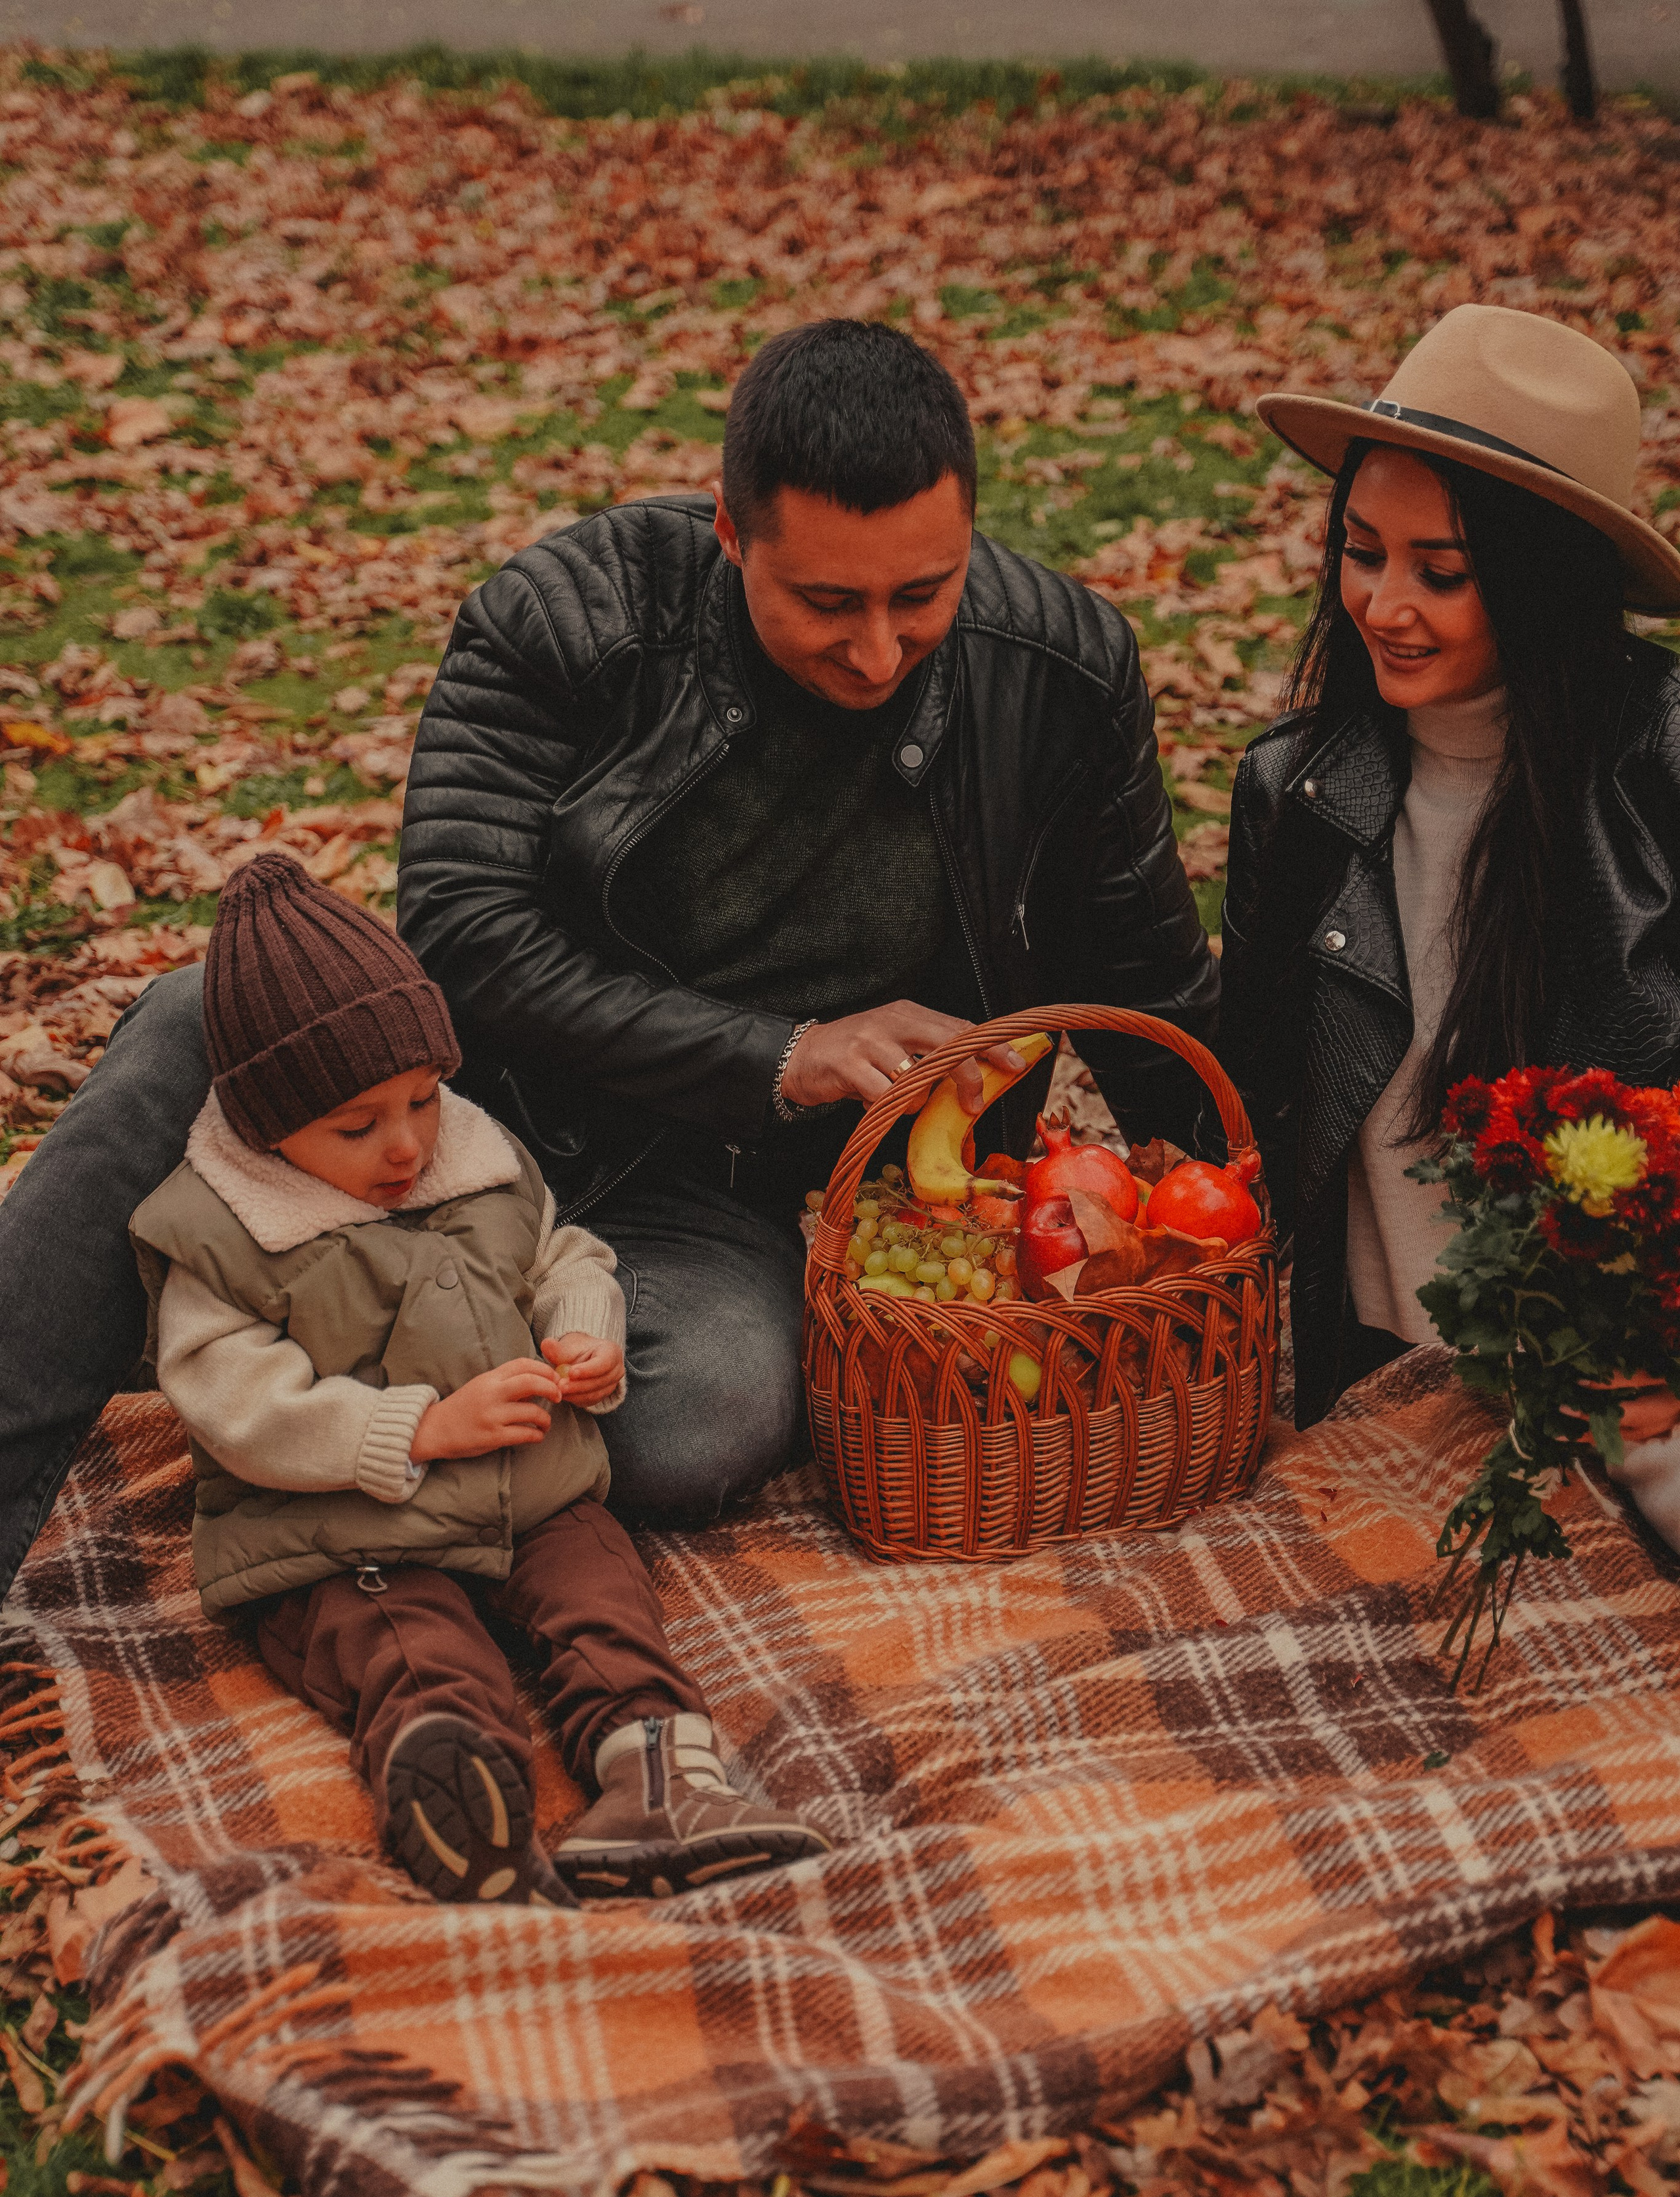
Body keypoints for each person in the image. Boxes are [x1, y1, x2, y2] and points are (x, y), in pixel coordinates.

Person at [0, 316, 1215, 1597]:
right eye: (824, 602)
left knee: (705, 1421)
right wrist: (780, 1054)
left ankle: (312, 1354)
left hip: (711, 1211)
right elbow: (464, 939)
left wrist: (1208, 1249)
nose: (874, 650)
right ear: (729, 532)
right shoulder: (566, 618)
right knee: (200, 1021)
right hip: (467, 1119)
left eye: (921, 596)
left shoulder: (1062, 672)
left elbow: (1149, 988)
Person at [129, 853, 828, 1905]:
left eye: (421, 1099)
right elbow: (232, 1399)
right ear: (267, 1129)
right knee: (399, 1638)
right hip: (339, 1524)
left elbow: (562, 1255)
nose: (406, 1145)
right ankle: (452, 1774)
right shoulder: (224, 1229)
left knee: (601, 1592)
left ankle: (656, 1768)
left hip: (526, 1484)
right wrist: (413, 1433)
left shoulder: (474, 1152)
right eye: (358, 1128)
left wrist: (585, 1331)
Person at [1219, 303, 1680, 1518]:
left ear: (1544, 583)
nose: (1381, 604)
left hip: (1633, 1375)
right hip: (1384, 1375)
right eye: (1362, 551)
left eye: (1444, 571)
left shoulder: (1659, 766)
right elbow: (1257, 1093)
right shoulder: (1295, 793)